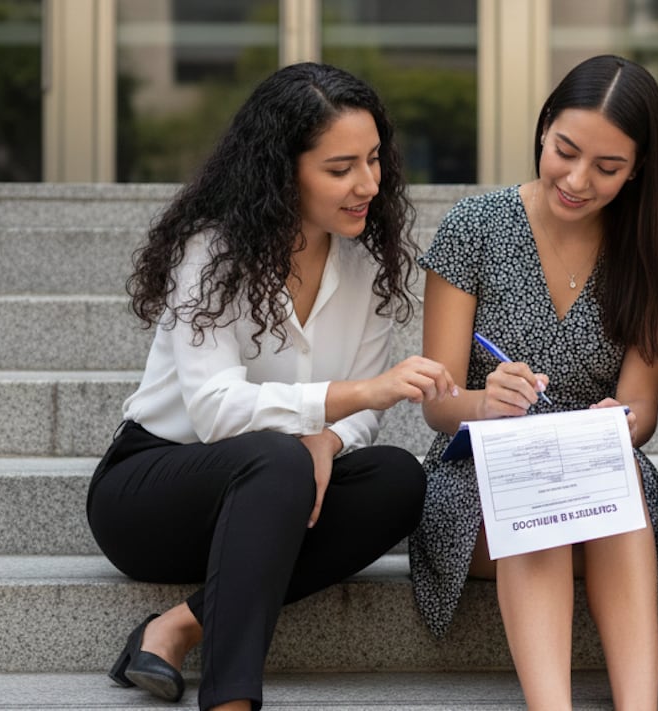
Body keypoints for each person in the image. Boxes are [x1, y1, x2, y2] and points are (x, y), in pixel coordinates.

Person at [87, 62, 457, 711]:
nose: (367, 183)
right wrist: (346, 402)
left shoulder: (366, 265)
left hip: (279, 489)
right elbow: (215, 411)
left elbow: (357, 427)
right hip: (154, 488)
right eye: (340, 168)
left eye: (373, 160)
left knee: (399, 477)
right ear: (281, 170)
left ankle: (177, 625)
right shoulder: (211, 251)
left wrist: (328, 442)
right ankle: (231, 701)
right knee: (280, 453)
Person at [409, 54, 658, 710]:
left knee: (605, 476)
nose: (576, 178)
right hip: (480, 473)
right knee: (542, 487)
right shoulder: (474, 228)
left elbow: (643, 409)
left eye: (608, 167)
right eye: (564, 150)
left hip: (601, 475)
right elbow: (439, 402)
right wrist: (487, 399)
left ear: (638, 168)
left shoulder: (651, 246)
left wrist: (616, 421)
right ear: (542, 130)